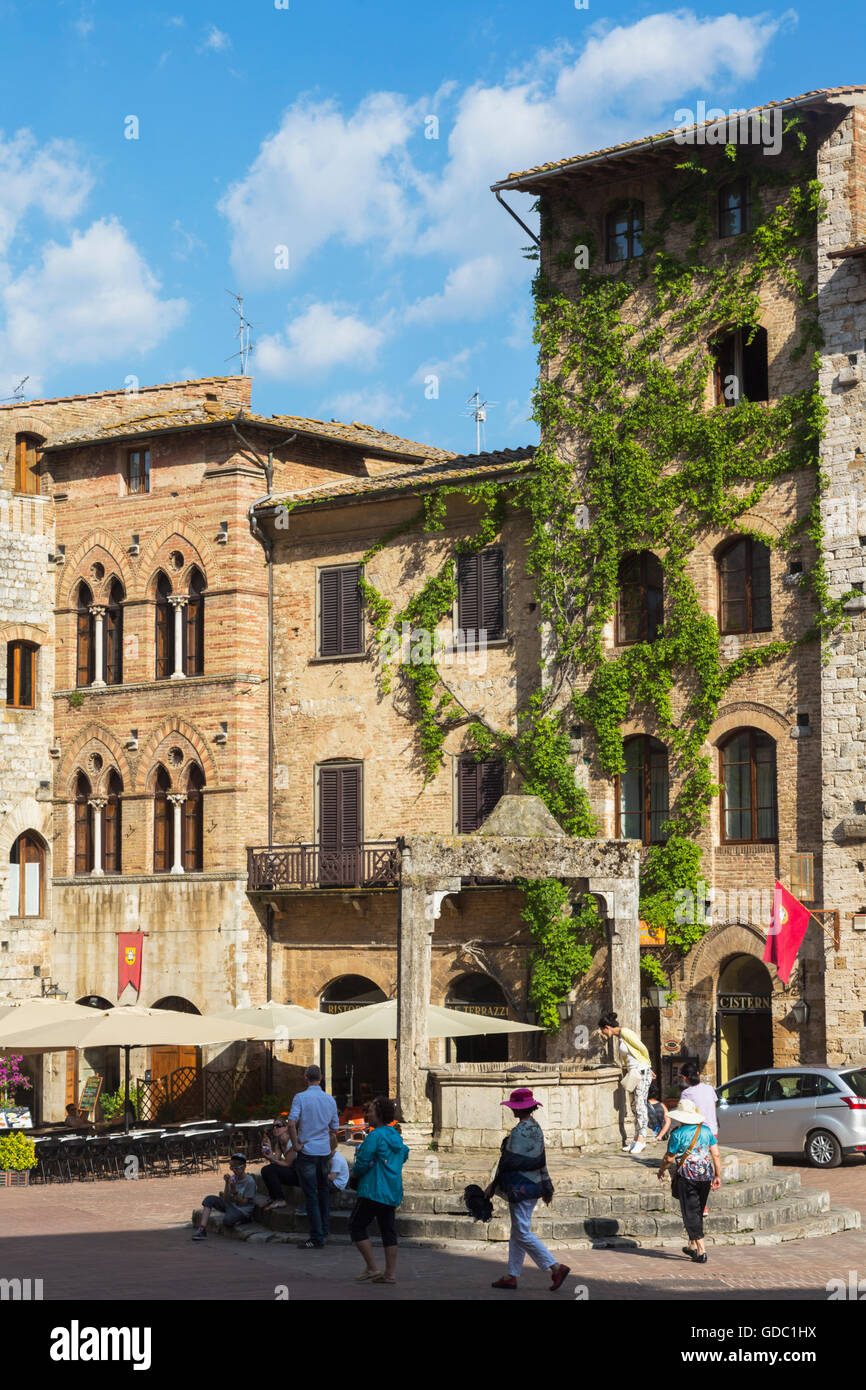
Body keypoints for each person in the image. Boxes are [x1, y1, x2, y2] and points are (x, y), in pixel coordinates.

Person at [483, 1087, 570, 1293]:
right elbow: (541, 1160)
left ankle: (556, 1267)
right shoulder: (536, 1128)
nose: (512, 1110)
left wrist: (492, 1186)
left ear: (518, 1109)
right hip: (533, 1186)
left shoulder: (519, 1131)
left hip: (520, 1187)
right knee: (517, 1231)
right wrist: (547, 1186)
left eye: (514, 1107)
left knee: (521, 1232)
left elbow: (507, 1162)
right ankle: (511, 1275)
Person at [350, 1096, 409, 1285]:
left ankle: (373, 1267)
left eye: (371, 1111)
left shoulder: (375, 1136)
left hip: (373, 1189)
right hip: (392, 1190)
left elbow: (362, 1163)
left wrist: (355, 1174)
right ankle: (390, 1274)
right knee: (388, 1229)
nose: (367, 1114)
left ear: (379, 1114)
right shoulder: (395, 1136)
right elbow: (404, 1153)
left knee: (356, 1225)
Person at [656, 1097, 721, 1263]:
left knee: (690, 1212)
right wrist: (717, 1175)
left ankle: (701, 1250)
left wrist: (661, 1170)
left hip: (687, 1176)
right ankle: (692, 1245)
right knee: (698, 1210)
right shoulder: (706, 1131)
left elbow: (669, 1159)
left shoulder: (677, 1134)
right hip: (706, 1175)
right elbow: (716, 1154)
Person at [288, 1064, 340, 1248]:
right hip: (324, 1151)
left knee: (310, 1193)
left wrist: (296, 1144)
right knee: (323, 1190)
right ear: (321, 1078)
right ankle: (324, 1228)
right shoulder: (329, 1100)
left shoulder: (300, 1097)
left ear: (305, 1078)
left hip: (308, 1150)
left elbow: (291, 1122)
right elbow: (335, 1127)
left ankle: (316, 1236)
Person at [598, 1009, 653, 1154]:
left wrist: (648, 1065)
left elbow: (642, 1048)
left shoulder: (626, 1032)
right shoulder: (620, 1037)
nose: (603, 1034)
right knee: (634, 1106)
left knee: (640, 1105)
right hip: (633, 1073)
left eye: (603, 1031)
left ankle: (642, 1139)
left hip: (640, 1071)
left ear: (607, 1027)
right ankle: (635, 1139)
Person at [192, 1153, 257, 1240]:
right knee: (209, 1199)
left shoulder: (250, 1182)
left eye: (236, 1168)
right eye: (232, 1168)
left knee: (227, 1221)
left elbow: (244, 1203)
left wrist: (234, 1191)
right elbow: (226, 1199)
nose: (234, 1171)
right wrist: (227, 1183)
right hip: (231, 1206)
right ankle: (202, 1229)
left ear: (244, 1167)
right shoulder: (234, 1178)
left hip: (242, 1210)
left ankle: (245, 1219)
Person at [260, 1117, 299, 1210]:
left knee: (270, 1169)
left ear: (286, 1128)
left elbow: (287, 1163)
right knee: (265, 1170)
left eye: (278, 1126)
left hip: (299, 1175)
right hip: (291, 1171)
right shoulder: (279, 1143)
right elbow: (275, 1160)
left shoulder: (292, 1141)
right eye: (273, 1126)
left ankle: (281, 1200)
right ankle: (273, 1198)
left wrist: (271, 1159)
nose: (275, 1128)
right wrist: (269, 1149)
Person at [679, 1062, 718, 1135]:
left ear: (684, 1078)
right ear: (697, 1073)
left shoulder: (686, 1093)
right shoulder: (710, 1089)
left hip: (696, 1133)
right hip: (712, 1131)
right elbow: (713, 1108)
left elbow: (683, 1116)